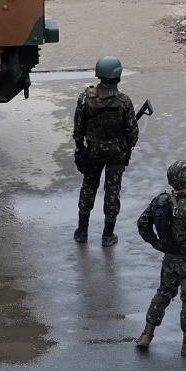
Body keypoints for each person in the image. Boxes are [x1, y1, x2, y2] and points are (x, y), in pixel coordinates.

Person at [73, 56, 139, 247]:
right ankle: (107, 235)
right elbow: (132, 133)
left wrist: (80, 148)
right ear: (118, 76)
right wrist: (127, 147)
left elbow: (78, 128)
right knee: (112, 191)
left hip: (93, 151)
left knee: (88, 187)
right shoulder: (124, 102)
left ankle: (82, 232)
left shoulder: (86, 98)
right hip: (116, 154)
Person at [134, 160, 186, 355]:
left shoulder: (160, 201)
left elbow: (142, 223)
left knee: (163, 294)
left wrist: (157, 243)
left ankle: (146, 334)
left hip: (169, 261)